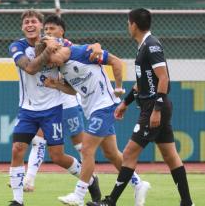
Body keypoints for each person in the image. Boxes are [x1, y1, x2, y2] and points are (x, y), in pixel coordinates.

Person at [87, 8, 194, 206]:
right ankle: (187, 203)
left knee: (127, 154)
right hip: (151, 105)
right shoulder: (144, 45)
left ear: (133, 24)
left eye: (129, 23)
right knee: (171, 156)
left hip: (154, 107)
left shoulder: (151, 46)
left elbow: (163, 78)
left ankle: (110, 202)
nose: (128, 26)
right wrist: (125, 102)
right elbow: (143, 82)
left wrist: (156, 109)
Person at [35, 36, 150, 206]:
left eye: (48, 60)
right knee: (111, 153)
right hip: (92, 110)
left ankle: (79, 195)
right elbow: (73, 91)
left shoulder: (83, 52)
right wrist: (56, 85)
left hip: (104, 107)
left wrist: (118, 88)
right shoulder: (62, 67)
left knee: (87, 149)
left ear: (54, 50)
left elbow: (117, 62)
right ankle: (138, 184)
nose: (48, 65)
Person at [7, 10, 100, 206]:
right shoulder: (17, 46)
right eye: (26, 22)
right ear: (22, 27)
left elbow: (78, 51)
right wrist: (48, 50)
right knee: (17, 149)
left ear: (41, 26)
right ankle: (17, 200)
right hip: (28, 109)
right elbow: (31, 68)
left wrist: (94, 47)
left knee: (57, 156)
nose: (30, 25)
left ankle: (90, 179)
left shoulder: (59, 44)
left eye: (34, 21)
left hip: (53, 109)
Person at [22, 14, 86, 193]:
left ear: (62, 31)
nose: (48, 32)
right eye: (47, 29)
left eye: (52, 29)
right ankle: (29, 180)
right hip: (53, 102)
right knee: (39, 139)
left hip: (69, 100)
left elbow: (63, 61)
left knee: (81, 146)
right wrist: (45, 47)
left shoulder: (68, 46)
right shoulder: (44, 45)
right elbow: (37, 61)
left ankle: (90, 179)